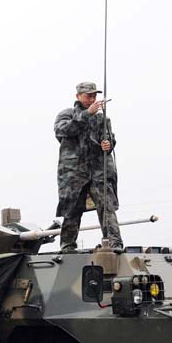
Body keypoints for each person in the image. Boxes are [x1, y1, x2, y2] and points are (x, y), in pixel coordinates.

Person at [54, 81, 122, 252]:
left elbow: (108, 137)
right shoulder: (66, 115)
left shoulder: (102, 118)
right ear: (78, 96)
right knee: (72, 209)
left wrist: (108, 143)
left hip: (98, 170)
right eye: (88, 96)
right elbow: (63, 131)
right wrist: (86, 114)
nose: (92, 99)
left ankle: (115, 242)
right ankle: (68, 245)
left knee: (106, 205)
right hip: (74, 173)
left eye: (94, 96)